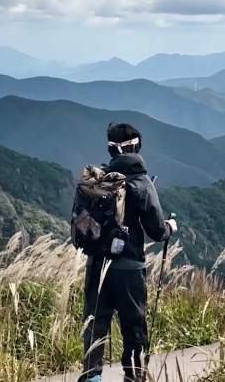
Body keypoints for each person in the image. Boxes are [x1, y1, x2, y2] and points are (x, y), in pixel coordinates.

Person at [79, 123, 178, 382]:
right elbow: (156, 231)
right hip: (128, 269)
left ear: (111, 149)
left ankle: (92, 377)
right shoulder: (142, 183)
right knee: (133, 327)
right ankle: (134, 377)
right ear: (136, 146)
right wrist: (169, 227)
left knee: (95, 323)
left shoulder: (99, 181)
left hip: (96, 265)